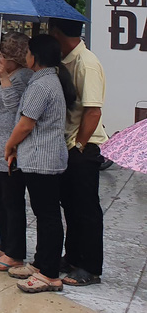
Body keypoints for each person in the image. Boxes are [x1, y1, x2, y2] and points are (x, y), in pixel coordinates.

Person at [5, 35, 74, 293]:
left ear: (36, 56)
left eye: (28, 52)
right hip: (41, 158)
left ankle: (50, 274)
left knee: (47, 217)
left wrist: (9, 146)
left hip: (42, 160)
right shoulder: (46, 80)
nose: (26, 56)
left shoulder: (42, 85)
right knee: (45, 214)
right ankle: (41, 263)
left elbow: (26, 123)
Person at [48, 17, 107, 287]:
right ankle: (72, 256)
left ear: (57, 33)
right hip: (68, 143)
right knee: (70, 205)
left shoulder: (87, 63)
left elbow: (93, 110)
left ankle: (90, 266)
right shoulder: (66, 60)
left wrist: (80, 146)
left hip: (84, 145)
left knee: (86, 208)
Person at [0, 31, 32, 273]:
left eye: (3, 54)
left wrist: (3, 77)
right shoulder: (9, 74)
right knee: (2, 199)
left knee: (12, 202)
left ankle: (15, 252)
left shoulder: (22, 77)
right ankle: (5, 245)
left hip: (8, 150)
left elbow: (16, 107)